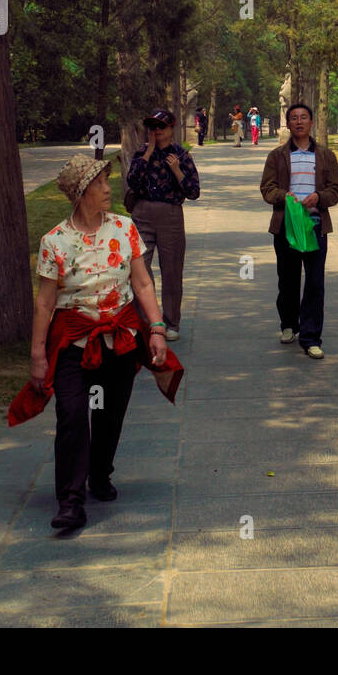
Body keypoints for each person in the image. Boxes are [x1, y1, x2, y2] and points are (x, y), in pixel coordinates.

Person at [12, 154, 183, 531]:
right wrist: (37, 355)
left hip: (120, 339)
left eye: (108, 181)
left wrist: (155, 328)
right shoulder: (54, 242)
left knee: (109, 414)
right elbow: (44, 302)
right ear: (80, 194)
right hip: (74, 342)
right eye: (101, 184)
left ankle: (101, 473)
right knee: (72, 416)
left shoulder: (124, 228)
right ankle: (70, 502)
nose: (109, 189)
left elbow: (141, 283)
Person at [260, 103, 338, 359]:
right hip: (287, 225)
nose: (299, 122)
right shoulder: (277, 156)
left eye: (303, 117)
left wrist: (318, 197)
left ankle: (310, 338)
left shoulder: (326, 155)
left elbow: (337, 189)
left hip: (316, 226)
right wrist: (287, 197)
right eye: (294, 118)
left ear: (311, 122)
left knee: (315, 283)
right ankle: (288, 324)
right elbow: (267, 188)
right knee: (288, 279)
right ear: (288, 124)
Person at [126, 109, 200, 341]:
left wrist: (177, 170)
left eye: (162, 127)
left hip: (170, 215)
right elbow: (132, 182)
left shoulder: (182, 155)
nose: (157, 131)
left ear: (172, 128)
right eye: (153, 127)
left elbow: (193, 192)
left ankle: (171, 323)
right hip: (142, 213)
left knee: (171, 270)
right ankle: (147, 320)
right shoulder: (141, 153)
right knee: (139, 269)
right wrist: (147, 153)